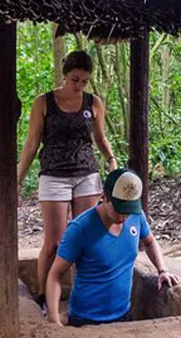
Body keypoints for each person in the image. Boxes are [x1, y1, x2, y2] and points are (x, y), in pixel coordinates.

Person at [17, 50, 117, 317]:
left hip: (86, 174)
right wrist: (17, 179)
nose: (79, 86)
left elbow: (99, 138)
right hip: (53, 175)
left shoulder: (93, 103)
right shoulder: (44, 102)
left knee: (85, 238)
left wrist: (111, 159)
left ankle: (81, 295)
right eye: (75, 80)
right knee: (55, 243)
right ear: (65, 75)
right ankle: (43, 295)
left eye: (84, 81)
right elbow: (31, 143)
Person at [45, 168, 180, 326]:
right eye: (119, 209)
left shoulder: (137, 216)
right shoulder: (80, 228)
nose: (124, 217)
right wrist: (54, 318)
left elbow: (150, 242)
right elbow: (55, 274)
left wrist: (162, 270)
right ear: (105, 197)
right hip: (86, 320)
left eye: (128, 211)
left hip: (123, 314)